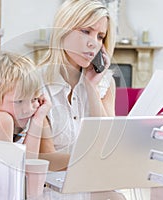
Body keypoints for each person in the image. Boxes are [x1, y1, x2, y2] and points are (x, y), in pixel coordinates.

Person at [38, 0, 117, 153]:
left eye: (100, 37)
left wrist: (91, 87)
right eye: (86, 31)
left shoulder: (106, 83)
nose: (94, 43)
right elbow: (46, 159)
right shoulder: (35, 82)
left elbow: (109, 144)